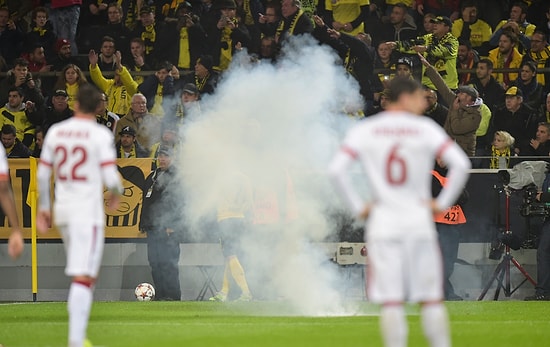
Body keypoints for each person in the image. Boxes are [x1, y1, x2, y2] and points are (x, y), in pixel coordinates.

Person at [328, 77, 470, 347]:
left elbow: (336, 171)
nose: (421, 103)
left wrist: (359, 206)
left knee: (391, 301)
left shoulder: (367, 129)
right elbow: (460, 165)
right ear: (404, 98)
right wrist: (441, 204)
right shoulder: (424, 129)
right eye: (418, 97)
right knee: (431, 300)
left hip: (383, 223)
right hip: (417, 222)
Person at [36, 84, 123, 347]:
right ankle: (75, 340)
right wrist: (116, 192)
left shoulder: (56, 131)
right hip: (87, 211)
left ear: (74, 105)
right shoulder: (99, 135)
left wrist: (43, 207)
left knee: (81, 274)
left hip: (63, 209)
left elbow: (42, 173)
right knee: (85, 276)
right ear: (98, 107)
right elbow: (111, 176)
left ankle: (77, 337)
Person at [139, 146, 183, 301]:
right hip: (153, 227)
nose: (162, 159)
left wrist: (173, 224)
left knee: (168, 263)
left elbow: (179, 203)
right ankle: (160, 294)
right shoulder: (152, 176)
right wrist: (143, 223)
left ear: (172, 158)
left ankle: (173, 295)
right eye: (160, 156)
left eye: (166, 156)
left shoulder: (177, 177)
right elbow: (145, 202)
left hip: (168, 228)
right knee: (155, 262)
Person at [419, 53, 482, 156]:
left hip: (463, 153)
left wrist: (455, 110)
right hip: (448, 151)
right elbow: (442, 87)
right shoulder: (456, 101)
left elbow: (457, 128)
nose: (458, 94)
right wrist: (428, 67)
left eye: (461, 93)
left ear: (468, 98)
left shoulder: (475, 115)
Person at [209, 170, 254, 302]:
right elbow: (249, 201)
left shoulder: (222, 176)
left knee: (230, 255)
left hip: (226, 220)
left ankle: (246, 292)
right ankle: (224, 291)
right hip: (239, 219)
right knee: (230, 257)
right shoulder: (244, 177)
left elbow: (212, 199)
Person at [387, 15, 459, 92]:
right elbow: (413, 44)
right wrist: (396, 45)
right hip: (428, 85)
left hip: (447, 85)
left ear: (447, 27)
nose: (434, 25)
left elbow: (443, 51)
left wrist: (426, 48)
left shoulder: (453, 41)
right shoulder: (427, 38)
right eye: (434, 23)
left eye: (438, 23)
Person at [432, 157, 468, 301]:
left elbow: (466, 197)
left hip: (452, 226)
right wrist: (454, 193)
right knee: (441, 261)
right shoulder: (431, 175)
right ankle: (445, 292)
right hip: (437, 225)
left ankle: (443, 291)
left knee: (449, 261)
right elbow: (438, 196)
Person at [526, 173, 550, 301]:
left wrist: (544, 196)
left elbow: (543, 196)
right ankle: (543, 291)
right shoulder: (547, 174)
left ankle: (543, 291)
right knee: (543, 253)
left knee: (544, 252)